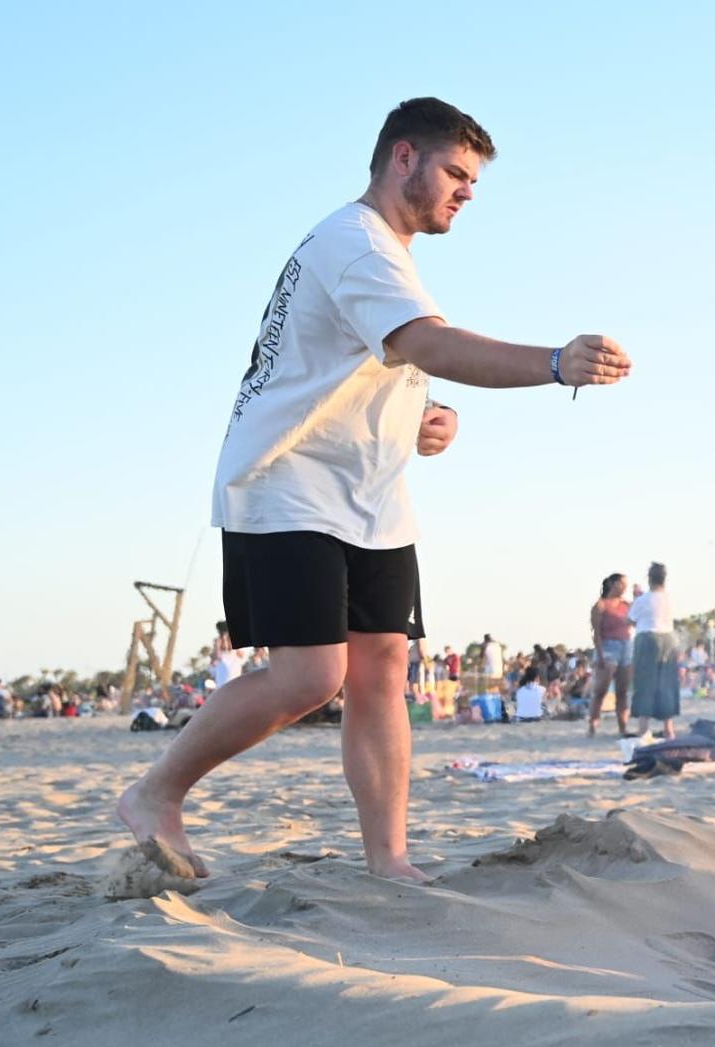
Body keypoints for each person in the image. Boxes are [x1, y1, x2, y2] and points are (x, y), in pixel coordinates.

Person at [116, 97, 629, 883]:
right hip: (287, 481)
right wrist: (556, 362)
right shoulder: (354, 244)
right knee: (311, 675)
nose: (465, 192)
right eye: (455, 172)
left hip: (371, 495)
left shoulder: (385, 254)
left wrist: (425, 417)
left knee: (384, 666)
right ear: (402, 158)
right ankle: (156, 793)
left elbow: (374, 363)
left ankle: (390, 862)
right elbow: (426, 340)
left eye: (472, 181)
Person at [627, 563, 679, 740]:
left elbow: (631, 620)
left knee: (645, 683)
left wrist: (635, 598)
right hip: (669, 639)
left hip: (648, 638)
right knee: (667, 683)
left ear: (649, 578)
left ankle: (643, 728)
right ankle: (669, 728)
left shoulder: (643, 600)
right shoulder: (670, 598)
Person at [585, 572, 632, 737]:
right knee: (601, 690)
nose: (625, 587)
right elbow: (596, 632)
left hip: (626, 646)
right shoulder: (600, 605)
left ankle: (623, 727)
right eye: (622, 583)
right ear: (613, 584)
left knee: (622, 690)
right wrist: (600, 655)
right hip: (607, 647)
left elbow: (637, 620)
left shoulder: (627, 605)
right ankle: (593, 724)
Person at [208, 621, 245, 691]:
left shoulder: (236, 654)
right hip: (222, 691)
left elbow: (241, 653)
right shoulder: (217, 657)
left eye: (227, 639)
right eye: (223, 640)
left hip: (236, 689)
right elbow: (215, 658)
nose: (225, 642)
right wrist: (217, 646)